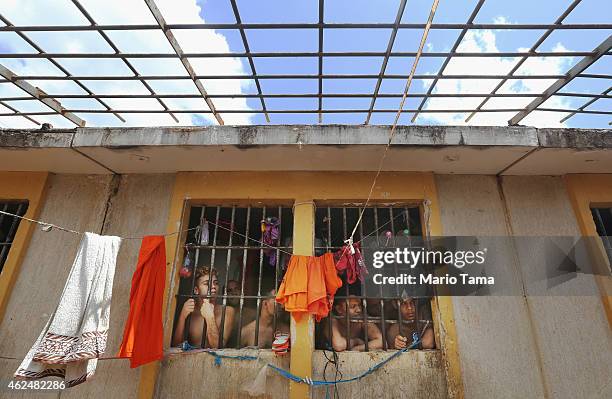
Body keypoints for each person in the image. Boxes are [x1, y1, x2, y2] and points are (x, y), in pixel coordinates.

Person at [172, 266, 236, 348]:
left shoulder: (227, 311)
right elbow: (176, 346)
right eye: (206, 283)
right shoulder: (189, 310)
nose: (213, 286)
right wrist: (182, 316)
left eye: (215, 283)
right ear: (196, 290)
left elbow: (219, 347)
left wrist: (210, 318)